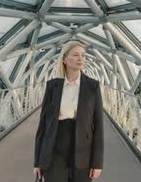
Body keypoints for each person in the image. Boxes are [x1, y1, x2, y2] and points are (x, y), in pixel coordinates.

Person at [33, 41, 104, 181]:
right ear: (65, 59)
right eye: (76, 55)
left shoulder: (92, 86)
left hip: (83, 151)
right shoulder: (52, 86)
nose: (80, 58)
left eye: (83, 55)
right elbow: (43, 126)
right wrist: (37, 161)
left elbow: (99, 125)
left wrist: (97, 163)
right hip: (54, 147)